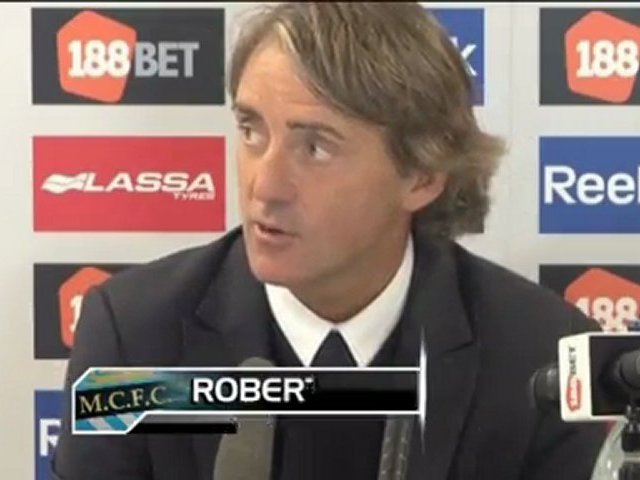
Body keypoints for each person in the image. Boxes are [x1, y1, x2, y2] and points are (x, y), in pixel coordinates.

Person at [52, 3, 606, 479]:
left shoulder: (540, 355)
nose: (264, 187)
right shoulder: (132, 341)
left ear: (421, 175)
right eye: (251, 130)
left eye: (315, 147)